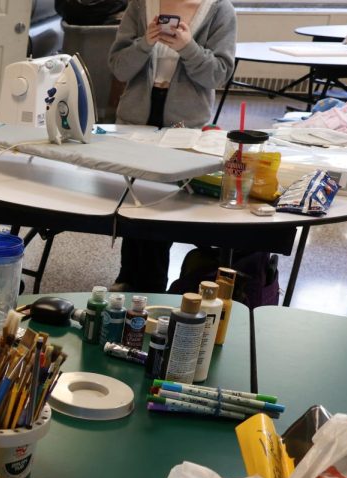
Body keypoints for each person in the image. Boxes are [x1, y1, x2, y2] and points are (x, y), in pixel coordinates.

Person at [107, 0, 236, 291]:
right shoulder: (141, 5)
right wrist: (145, 43)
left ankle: (150, 286)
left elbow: (218, 74)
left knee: (162, 203)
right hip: (136, 118)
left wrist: (187, 46)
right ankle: (128, 277)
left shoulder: (219, 10)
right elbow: (119, 68)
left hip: (184, 124)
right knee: (133, 197)